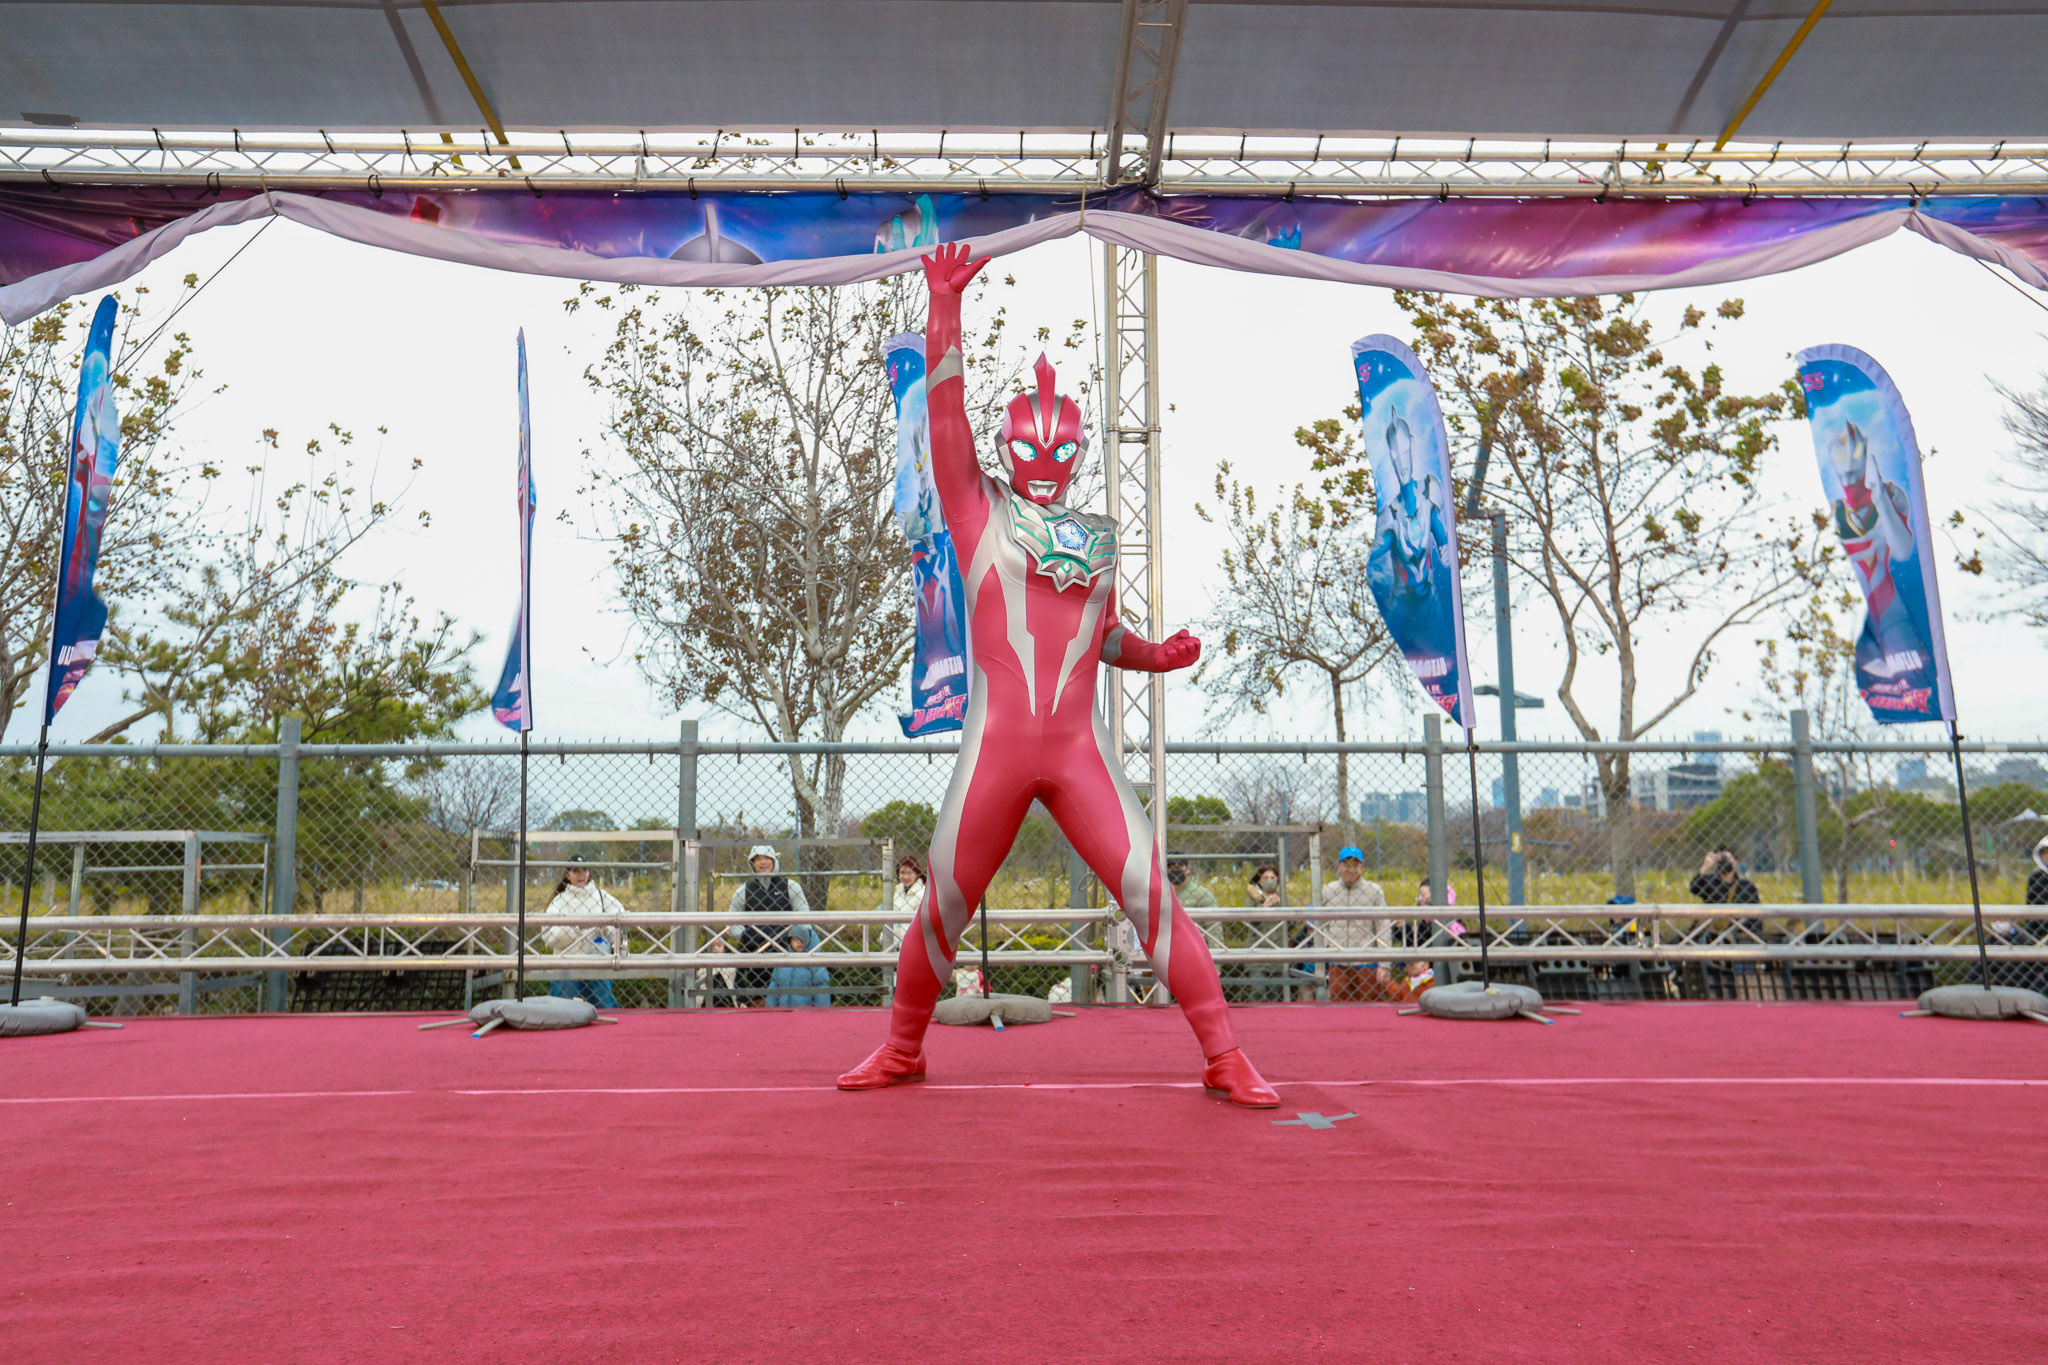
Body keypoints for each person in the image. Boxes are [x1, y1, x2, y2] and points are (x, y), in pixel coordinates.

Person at [838, 242, 1277, 1107]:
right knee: (945, 900)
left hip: (1079, 747)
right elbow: (945, 418)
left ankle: (1225, 1051)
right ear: (1010, 446)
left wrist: (1156, 654)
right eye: (1030, 444)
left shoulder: (1098, 537)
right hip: (999, 743)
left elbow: (1100, 636)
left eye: (1060, 446)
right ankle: (901, 1044)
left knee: (1149, 890)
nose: (1045, 457)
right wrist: (945, 309)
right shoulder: (978, 508)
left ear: (1076, 452)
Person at [727, 844, 807, 1007]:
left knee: (786, 1002)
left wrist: (791, 936)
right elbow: (730, 923)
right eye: (758, 859)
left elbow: (805, 918)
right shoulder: (743, 891)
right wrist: (747, 935)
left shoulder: (791, 886)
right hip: (755, 955)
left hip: (785, 951)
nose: (763, 862)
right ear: (752, 864)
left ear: (774, 861)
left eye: (767, 858)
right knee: (758, 1005)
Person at [539, 854, 622, 1008]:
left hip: (597, 963)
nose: (581, 875)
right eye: (576, 871)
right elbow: (549, 935)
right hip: (567, 964)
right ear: (567, 875)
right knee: (560, 1009)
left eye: (584, 870)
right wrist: (576, 928)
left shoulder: (602, 896)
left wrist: (607, 929)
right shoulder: (559, 901)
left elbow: (622, 919)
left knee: (606, 1008)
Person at [1317, 846, 1392, 1002]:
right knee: (1340, 1006)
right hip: (1338, 961)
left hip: (1367, 962)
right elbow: (1321, 924)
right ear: (1339, 866)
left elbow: (1383, 927)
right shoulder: (1328, 891)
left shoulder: (1374, 891)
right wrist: (1327, 947)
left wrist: (1384, 963)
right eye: (1346, 865)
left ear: (1361, 867)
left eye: (1355, 865)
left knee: (1371, 1006)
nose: (1351, 870)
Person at [1690, 847, 1763, 939]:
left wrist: (1748, 934)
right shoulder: (1709, 882)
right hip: (1711, 934)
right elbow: (1694, 888)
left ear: (1736, 862)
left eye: (1727, 858)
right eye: (1721, 859)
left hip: (1736, 935)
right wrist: (1705, 866)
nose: (1724, 861)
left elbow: (1756, 917)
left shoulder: (1746, 886)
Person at [767, 925, 832, 1008]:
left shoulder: (816, 965)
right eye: (795, 939)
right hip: (783, 1011)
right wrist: (770, 1010)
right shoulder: (783, 963)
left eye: (803, 939)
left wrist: (821, 1013)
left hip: (805, 1012)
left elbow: (821, 992)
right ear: (790, 941)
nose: (799, 942)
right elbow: (774, 987)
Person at [887, 855, 926, 955]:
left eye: (909, 873)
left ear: (917, 873)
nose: (905, 877)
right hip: (897, 944)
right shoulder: (898, 891)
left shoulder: (923, 893)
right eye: (902, 873)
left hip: (916, 945)